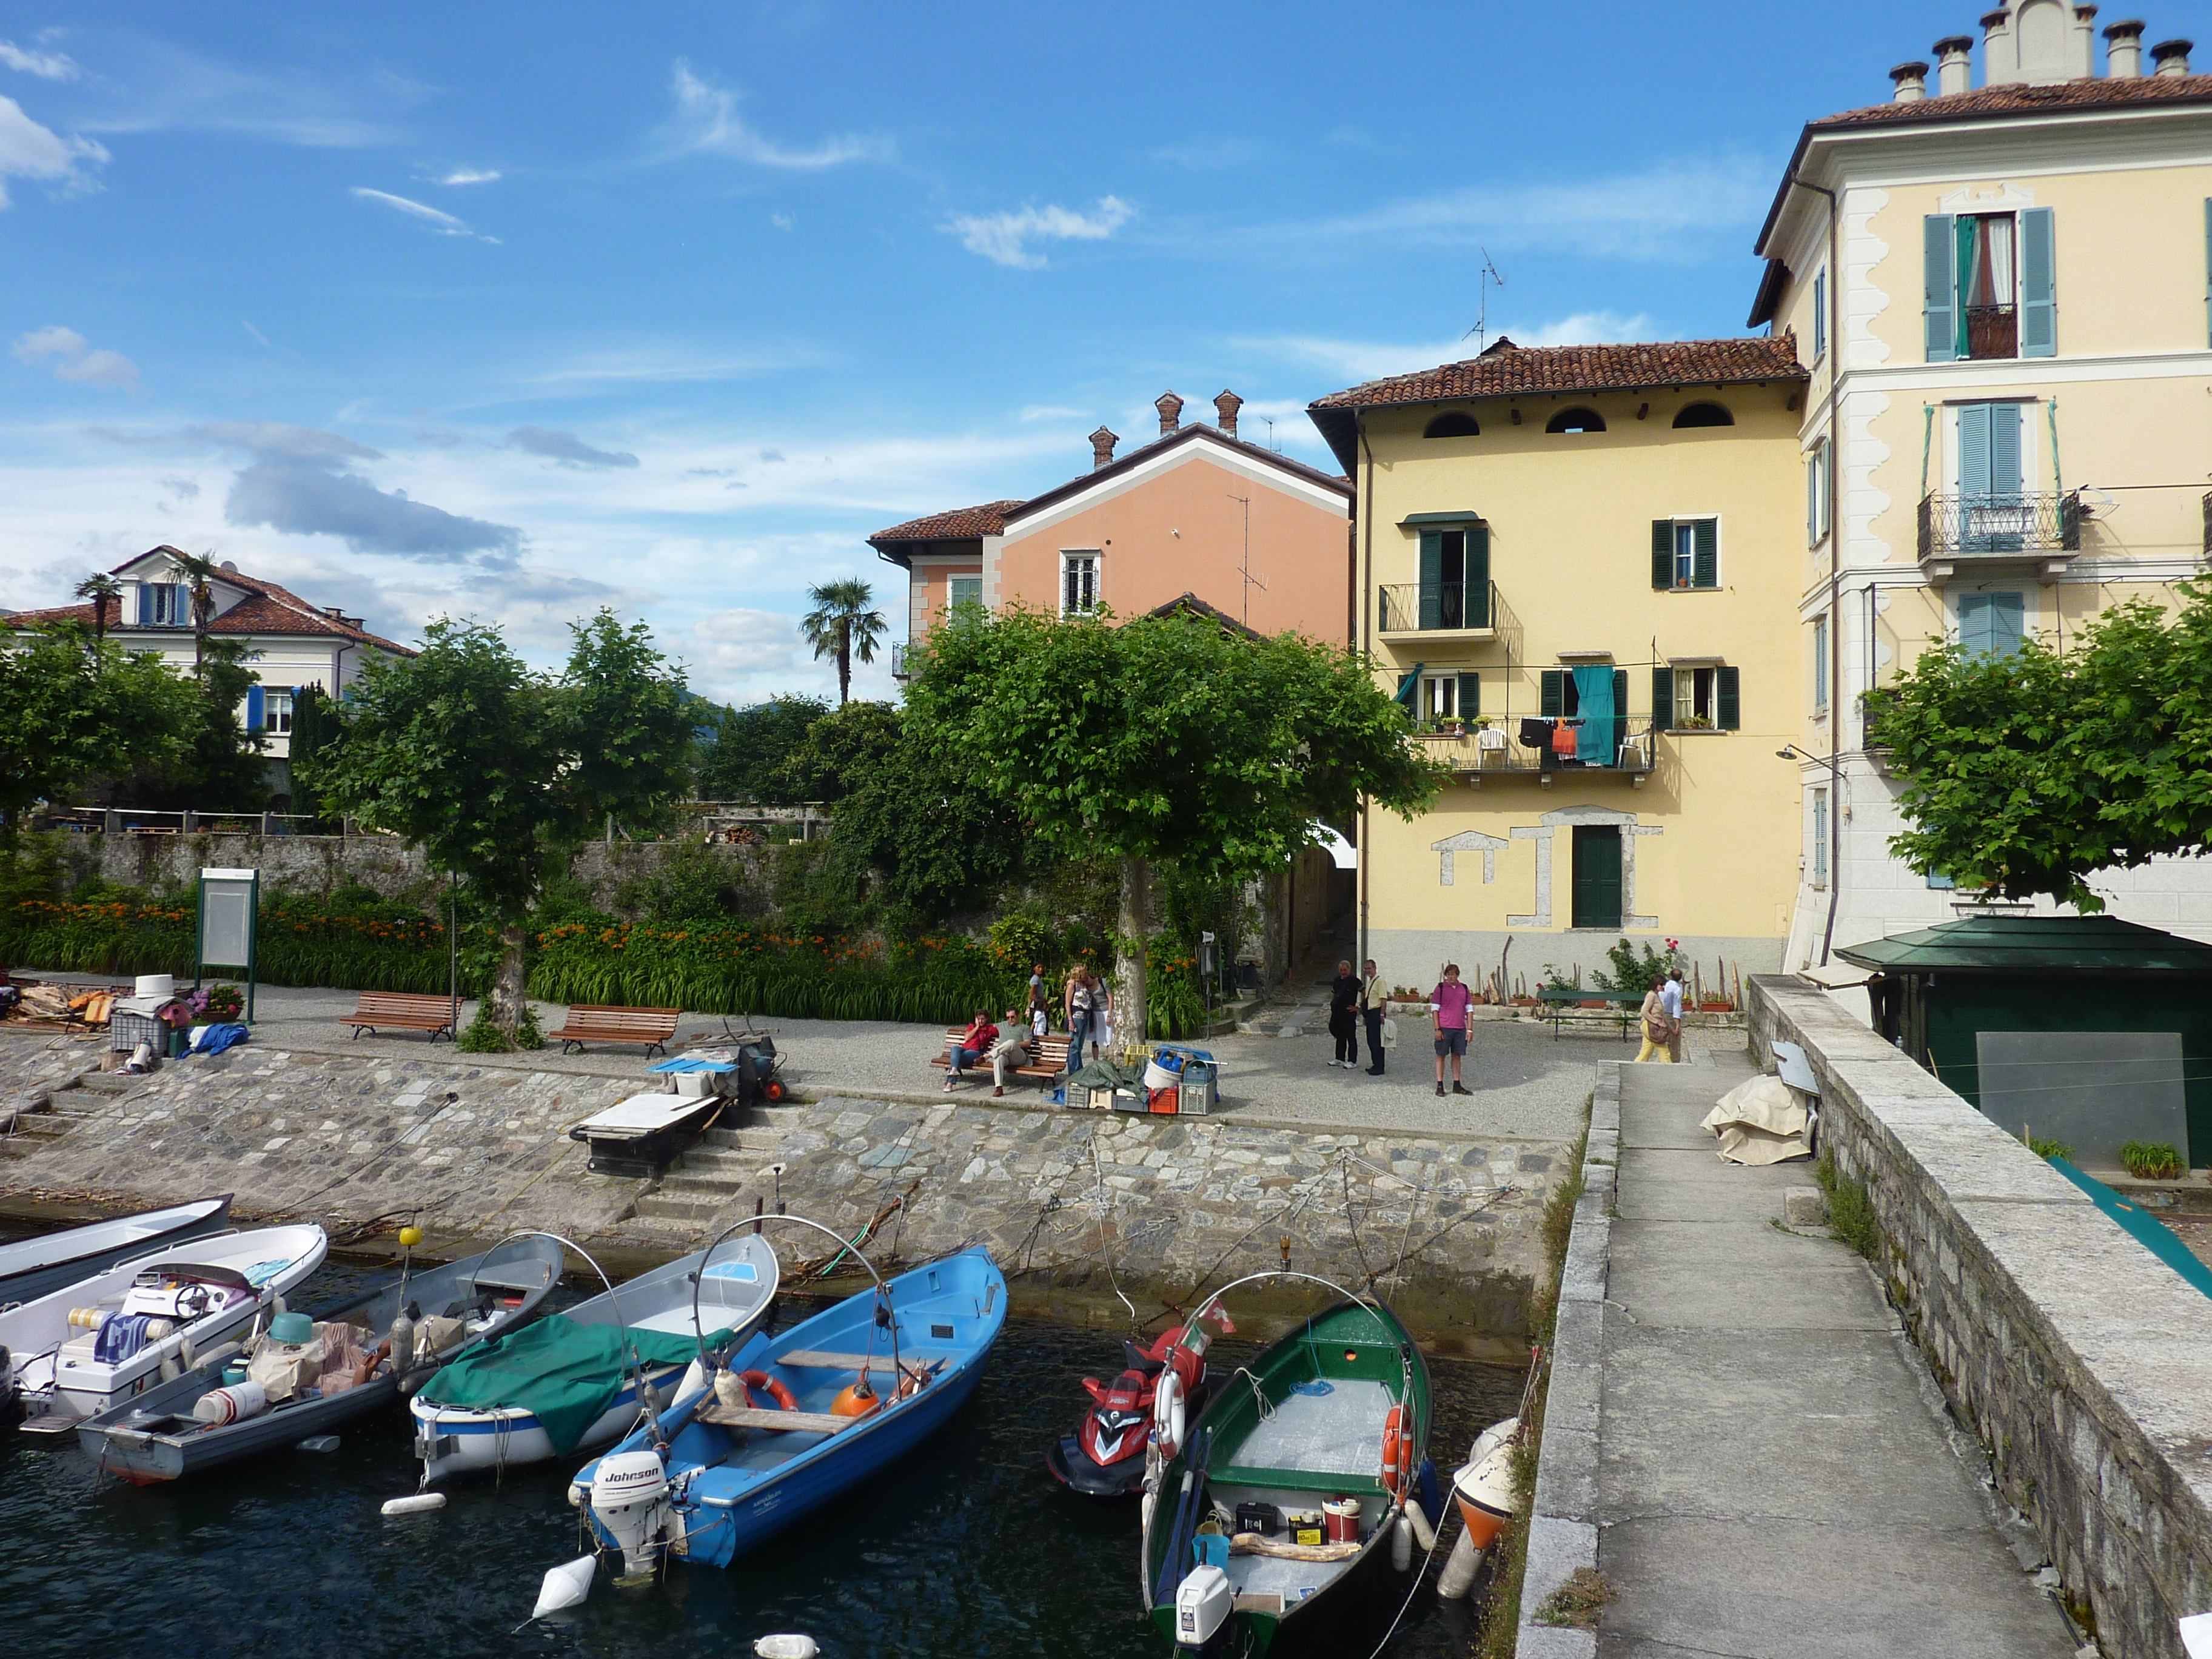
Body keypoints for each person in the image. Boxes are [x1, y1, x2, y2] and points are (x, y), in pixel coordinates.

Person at [1430, 964, 1474, 1097]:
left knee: (1457, 1056)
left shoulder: (1464, 989)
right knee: (1441, 1055)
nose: (1450, 977)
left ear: (1457, 975)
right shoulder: (1440, 988)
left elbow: (1469, 1009)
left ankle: (1457, 1084)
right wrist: (1437, 1029)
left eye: (1453, 974)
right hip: (1445, 1027)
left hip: (1460, 1028)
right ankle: (1440, 1085)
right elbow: (1435, 1009)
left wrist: (1470, 1029)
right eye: (1448, 974)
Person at [945, 1008, 999, 1091]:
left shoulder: (990, 1029)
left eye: (983, 1019)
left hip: (976, 1052)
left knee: (956, 1059)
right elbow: (967, 1038)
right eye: (979, 1019)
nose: (980, 1021)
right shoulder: (972, 1026)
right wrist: (977, 1027)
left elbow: (1001, 1031)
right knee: (955, 1048)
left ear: (987, 1019)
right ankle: (955, 1069)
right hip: (964, 1048)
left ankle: (950, 1084)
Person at [988, 1007, 1032, 1098]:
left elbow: (1028, 1043)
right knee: (998, 1058)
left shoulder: (1025, 1028)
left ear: (1018, 1016)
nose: (1010, 1019)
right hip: (1005, 1056)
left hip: (1019, 1056)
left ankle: (987, 1056)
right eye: (1008, 1017)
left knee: (1011, 1042)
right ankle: (999, 1088)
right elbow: (988, 1027)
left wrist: (1014, 1045)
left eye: (1012, 1017)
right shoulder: (1002, 1025)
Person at [1065, 967, 1104, 1067]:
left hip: (1086, 1015)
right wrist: (1070, 1021)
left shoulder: (1085, 985)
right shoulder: (1073, 985)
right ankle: (1073, 1071)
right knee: (1074, 1045)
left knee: (1080, 1046)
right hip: (1077, 1015)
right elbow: (1067, 1004)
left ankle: (1079, 1069)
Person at [1327, 960, 1359, 1068]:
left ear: (1350, 969)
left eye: (1345, 970)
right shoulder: (1337, 980)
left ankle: (1352, 1061)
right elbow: (1334, 993)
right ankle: (1339, 1058)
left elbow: (1364, 992)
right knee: (1340, 1036)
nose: (1343, 972)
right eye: (1341, 970)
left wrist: (1359, 1008)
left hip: (1349, 1012)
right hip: (1338, 1012)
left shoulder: (1355, 981)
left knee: (1351, 1037)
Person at [1359, 958, 1388, 1075]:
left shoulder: (1380, 981)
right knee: (1371, 1040)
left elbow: (1384, 999)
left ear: (1375, 968)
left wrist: (1382, 1014)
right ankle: (1375, 1063)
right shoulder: (1370, 981)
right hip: (1370, 1013)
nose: (1367, 971)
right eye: (1366, 969)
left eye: (1369, 968)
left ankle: (1379, 1067)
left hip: (1376, 1012)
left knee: (1376, 1041)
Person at [1635, 977, 1672, 1064]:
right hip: (1650, 1026)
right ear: (1655, 985)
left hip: (1651, 1026)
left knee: (1645, 1052)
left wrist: (1670, 1029)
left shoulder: (1656, 995)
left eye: (1664, 985)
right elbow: (1644, 1011)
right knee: (1664, 1051)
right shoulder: (1651, 996)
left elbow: (1661, 1015)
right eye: (1661, 985)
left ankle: (1636, 1067)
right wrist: (1657, 1022)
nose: (1663, 987)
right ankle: (1670, 1071)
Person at [1658, 967, 1685, 1063]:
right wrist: (1677, 1023)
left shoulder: (1663, 986)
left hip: (1661, 1013)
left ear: (1670, 976)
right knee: (1674, 1041)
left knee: (1663, 1039)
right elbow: (1676, 1006)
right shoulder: (1677, 989)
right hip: (1670, 1015)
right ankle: (1674, 1062)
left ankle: (1663, 1060)